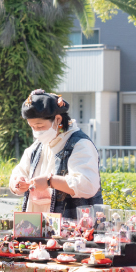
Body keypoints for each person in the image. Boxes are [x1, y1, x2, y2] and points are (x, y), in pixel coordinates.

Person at [9, 89, 102, 218]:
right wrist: (18, 184)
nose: (36, 132)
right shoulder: (37, 146)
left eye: (40, 126)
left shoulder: (80, 144)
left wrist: (50, 181)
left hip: (71, 225)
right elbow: (18, 173)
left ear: (58, 119)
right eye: (32, 127)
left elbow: (88, 185)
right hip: (36, 224)